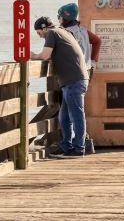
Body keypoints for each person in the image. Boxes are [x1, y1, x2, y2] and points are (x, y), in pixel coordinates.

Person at [31, 16, 88, 158]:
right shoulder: (63, 31)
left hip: (74, 81)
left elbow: (45, 55)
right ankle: (66, 147)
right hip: (73, 80)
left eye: (39, 33)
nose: (40, 36)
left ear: (44, 28)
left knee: (76, 116)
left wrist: (32, 56)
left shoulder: (52, 33)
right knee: (64, 118)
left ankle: (78, 148)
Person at [57, 3, 101, 79]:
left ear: (64, 18)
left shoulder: (66, 32)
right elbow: (97, 41)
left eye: (59, 17)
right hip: (87, 70)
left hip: (75, 73)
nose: (58, 19)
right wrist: (93, 60)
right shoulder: (83, 30)